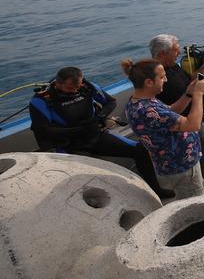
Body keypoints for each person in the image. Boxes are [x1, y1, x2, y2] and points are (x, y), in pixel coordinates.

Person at [28, 66, 174, 199]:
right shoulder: (42, 100)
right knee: (78, 178)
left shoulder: (86, 87)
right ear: (58, 83)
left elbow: (111, 102)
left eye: (77, 86)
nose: (74, 90)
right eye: (69, 88)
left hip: (94, 136)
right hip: (67, 145)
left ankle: (156, 190)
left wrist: (99, 118)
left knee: (140, 150)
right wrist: (77, 130)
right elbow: (44, 131)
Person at [150, 34, 204, 192]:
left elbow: (190, 81)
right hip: (180, 126)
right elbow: (180, 96)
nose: (178, 52)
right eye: (175, 49)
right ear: (162, 53)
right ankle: (201, 190)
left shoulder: (173, 67)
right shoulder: (156, 75)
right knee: (192, 165)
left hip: (194, 118)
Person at [122, 58, 204, 199]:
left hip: (175, 163)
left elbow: (171, 112)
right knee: (195, 202)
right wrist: (198, 95)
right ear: (149, 82)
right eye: (162, 77)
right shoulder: (148, 110)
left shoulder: (140, 102)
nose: (166, 80)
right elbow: (193, 124)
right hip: (181, 166)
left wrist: (189, 93)